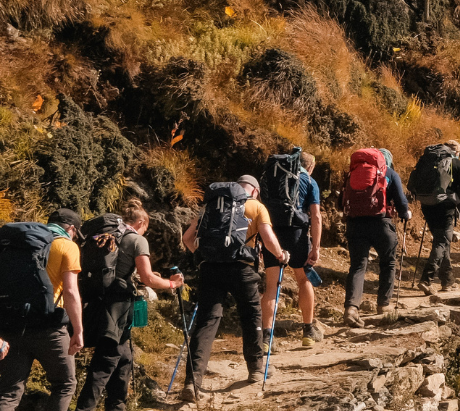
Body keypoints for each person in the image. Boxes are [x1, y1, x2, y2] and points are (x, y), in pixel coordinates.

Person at [180, 176, 292, 401]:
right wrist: (281, 255)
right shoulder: (256, 206)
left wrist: (202, 255)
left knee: (206, 322)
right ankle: (256, 370)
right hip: (242, 268)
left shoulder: (210, 206)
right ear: (255, 191)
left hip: (210, 269)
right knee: (251, 316)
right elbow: (268, 238)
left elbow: (187, 238)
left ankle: (193, 382)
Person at [75, 204, 183, 411]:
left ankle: (117, 406)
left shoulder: (106, 236)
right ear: (141, 223)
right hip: (117, 309)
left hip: (95, 301)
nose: (145, 233)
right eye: (146, 229)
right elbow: (148, 277)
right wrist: (172, 284)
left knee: (124, 359)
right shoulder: (136, 239)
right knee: (104, 363)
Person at [0, 209, 85, 411]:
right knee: (64, 384)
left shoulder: (19, 245)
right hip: (50, 329)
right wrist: (78, 330)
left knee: (9, 391)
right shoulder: (67, 246)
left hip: (13, 325)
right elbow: (71, 292)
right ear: (71, 229)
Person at [261, 152, 324, 346]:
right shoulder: (309, 181)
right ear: (310, 166)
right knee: (303, 280)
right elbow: (316, 216)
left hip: (272, 234)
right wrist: (315, 247)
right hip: (296, 234)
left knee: (271, 287)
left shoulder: (272, 176)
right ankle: (307, 331)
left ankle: (265, 337)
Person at [342, 148, 410, 327]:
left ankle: (351, 308)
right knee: (388, 262)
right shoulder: (389, 173)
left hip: (355, 224)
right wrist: (405, 213)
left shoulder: (352, 173)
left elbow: (340, 201)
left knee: (357, 266)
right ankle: (383, 305)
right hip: (381, 224)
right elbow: (401, 202)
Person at [411, 140, 460, 293]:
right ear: (457, 152)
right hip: (445, 206)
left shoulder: (430, 159)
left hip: (427, 204)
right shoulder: (457, 163)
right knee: (442, 242)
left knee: (442, 241)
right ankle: (426, 279)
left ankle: (447, 280)